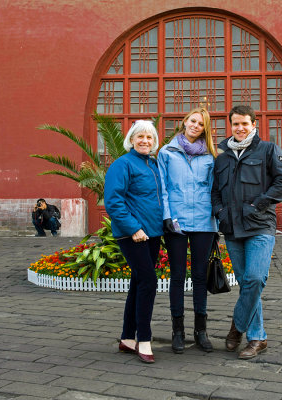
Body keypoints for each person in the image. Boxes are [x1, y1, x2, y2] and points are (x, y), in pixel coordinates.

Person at [211, 105, 282, 359]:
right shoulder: (222, 157)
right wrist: (220, 212)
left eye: (244, 123)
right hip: (232, 229)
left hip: (260, 226)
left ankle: (237, 326)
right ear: (231, 126)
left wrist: (259, 204)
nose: (239, 128)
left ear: (254, 124)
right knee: (247, 283)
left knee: (256, 278)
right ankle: (257, 338)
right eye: (235, 124)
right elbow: (214, 191)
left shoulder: (267, 150)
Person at [157, 107, 217, 354]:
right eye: (193, 121)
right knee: (178, 276)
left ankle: (201, 331)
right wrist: (167, 216)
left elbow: (215, 190)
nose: (195, 126)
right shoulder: (166, 152)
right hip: (177, 222)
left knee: (201, 276)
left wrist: (217, 221)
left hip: (204, 222)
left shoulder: (211, 156)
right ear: (184, 122)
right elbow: (162, 187)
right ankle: (178, 331)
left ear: (205, 129)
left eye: (201, 124)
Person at [104, 120, 163, 364]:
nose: (145, 141)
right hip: (133, 234)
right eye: (140, 136)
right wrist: (134, 228)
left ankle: (127, 339)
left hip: (153, 232)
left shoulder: (154, 164)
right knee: (148, 281)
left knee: (138, 283)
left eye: (149, 138)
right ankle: (144, 339)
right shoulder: (123, 164)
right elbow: (113, 201)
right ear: (131, 139)